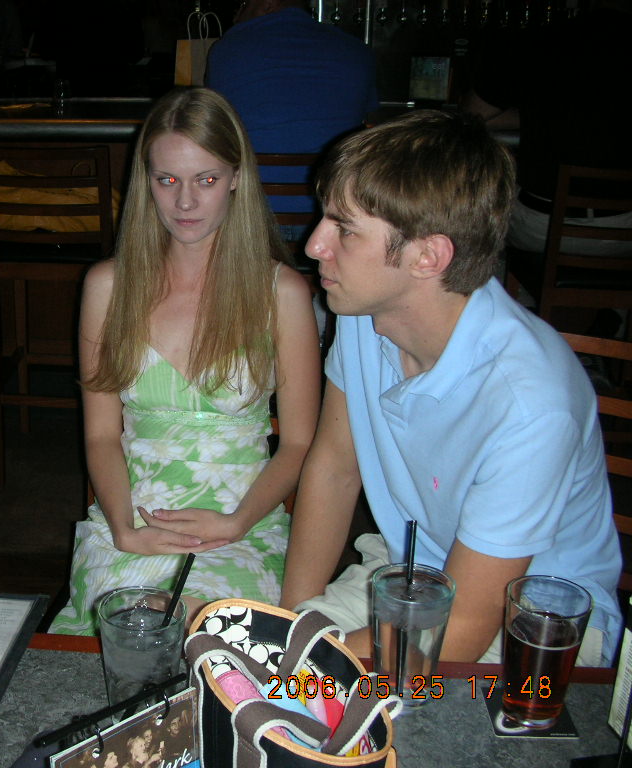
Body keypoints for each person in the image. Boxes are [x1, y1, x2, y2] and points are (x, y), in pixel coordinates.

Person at [280, 110, 621, 665]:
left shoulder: (529, 405)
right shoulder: (366, 312)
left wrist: (298, 666)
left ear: (428, 256)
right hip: (410, 576)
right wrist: (291, 625)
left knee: (301, 691)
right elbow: (335, 468)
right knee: (260, 680)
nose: (314, 244)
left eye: (344, 229)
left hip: (533, 630)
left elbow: (460, 631)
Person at [50, 88, 321, 635]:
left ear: (237, 178)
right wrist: (123, 529)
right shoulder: (108, 287)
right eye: (167, 180)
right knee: (131, 627)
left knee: (212, 631)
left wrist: (238, 522)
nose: (186, 202)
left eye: (207, 179)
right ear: (145, 181)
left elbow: (298, 444)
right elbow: (101, 435)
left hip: (243, 524)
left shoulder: (282, 293)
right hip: (134, 521)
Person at [462, 0, 632, 257]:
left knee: (481, 208)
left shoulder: (541, 40)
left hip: (542, 226)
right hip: (625, 228)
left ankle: (500, 283)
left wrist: (542, 116)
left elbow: (474, 114)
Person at [205, 0, 377, 241]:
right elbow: (366, 120)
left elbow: (209, 122)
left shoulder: (226, 50)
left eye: (243, 4)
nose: (236, 15)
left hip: (248, 219)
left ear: (267, 4)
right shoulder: (357, 51)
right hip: (331, 219)